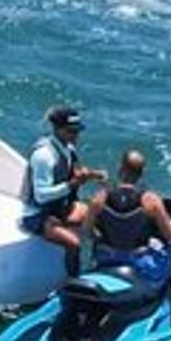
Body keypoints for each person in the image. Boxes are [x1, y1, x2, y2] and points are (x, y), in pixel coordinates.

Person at [88, 149, 171, 328]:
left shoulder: (100, 197)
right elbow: (169, 234)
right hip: (137, 261)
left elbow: (87, 231)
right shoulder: (151, 201)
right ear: (141, 173)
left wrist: (101, 239)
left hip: (107, 258)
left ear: (120, 169)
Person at [21, 106, 104, 275]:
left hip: (59, 208)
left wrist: (92, 174)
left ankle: (99, 267)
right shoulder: (43, 156)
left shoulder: (69, 149)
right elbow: (41, 196)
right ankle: (73, 280)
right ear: (57, 129)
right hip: (38, 215)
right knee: (74, 244)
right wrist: (71, 185)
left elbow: (74, 173)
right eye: (71, 131)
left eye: (77, 131)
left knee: (98, 217)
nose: (75, 136)